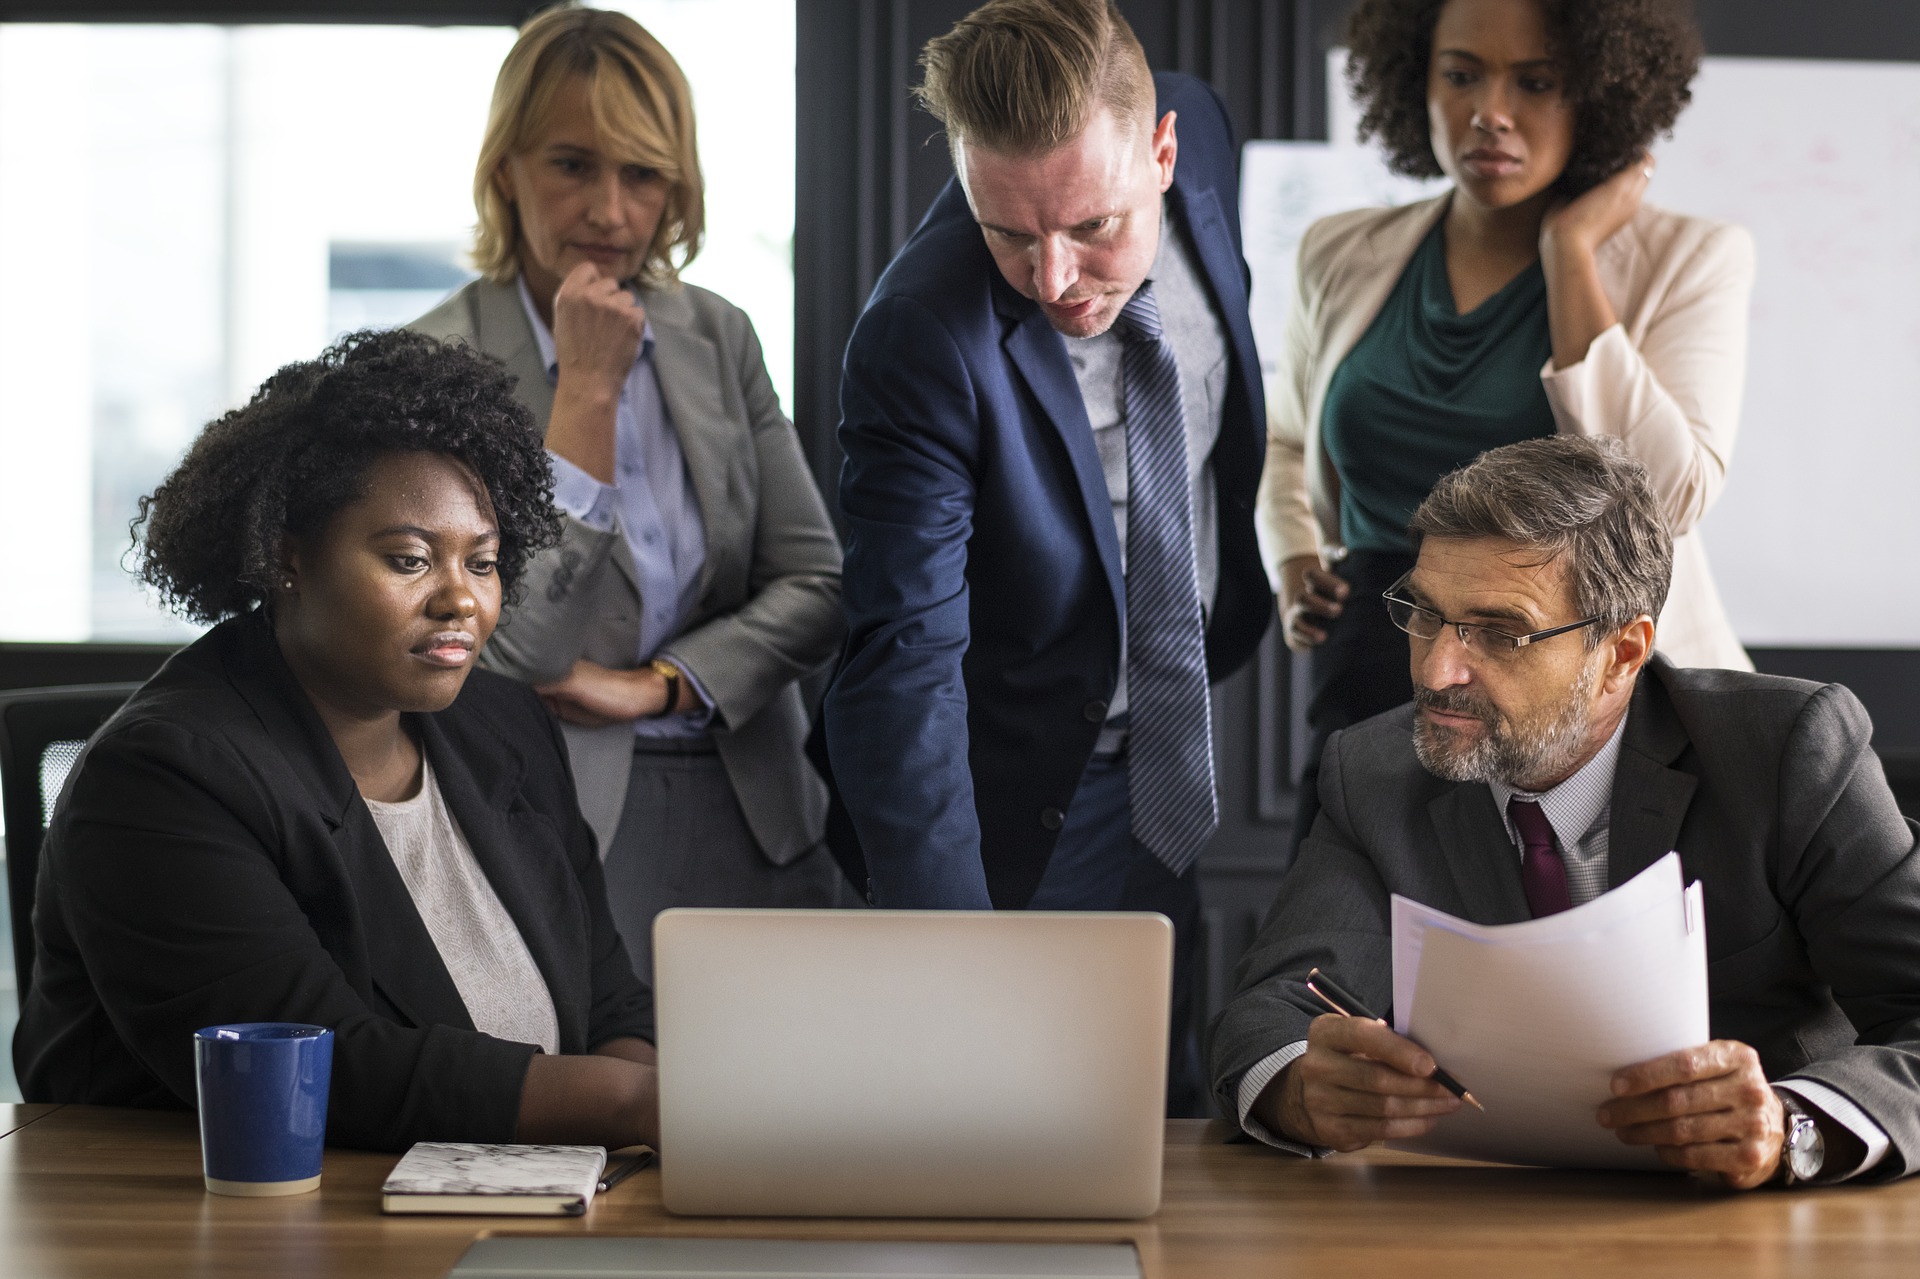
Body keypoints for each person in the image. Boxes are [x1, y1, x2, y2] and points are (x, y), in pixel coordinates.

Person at [1210, 436, 1920, 1188]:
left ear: (1621, 653)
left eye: (1500, 632)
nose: (1436, 669)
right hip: (1473, 1222)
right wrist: (1298, 1086)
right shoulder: (1376, 770)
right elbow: (1273, 1009)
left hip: (1750, 1225)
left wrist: (1794, 1126)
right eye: (1425, 613)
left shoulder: (1785, 752)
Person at [15, 331, 661, 1153]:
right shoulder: (162, 776)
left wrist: (642, 1139)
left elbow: (609, 1002)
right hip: (219, 1228)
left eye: (485, 562)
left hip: (514, 1206)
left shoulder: (506, 727)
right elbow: (327, 1068)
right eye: (410, 559)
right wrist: (629, 1108)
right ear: (288, 559)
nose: (460, 598)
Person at [821, 0, 1270, 1115]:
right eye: (1010, 234)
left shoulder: (1203, 128)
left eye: (1094, 227)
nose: (1056, 277)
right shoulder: (918, 338)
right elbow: (901, 657)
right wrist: (953, 952)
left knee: (1147, 1114)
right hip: (1009, 801)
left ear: (1164, 150)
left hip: (1168, 752)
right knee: (1000, 1128)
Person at [1262, 0, 1754, 866]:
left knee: (1562, 973)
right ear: (1413, 78)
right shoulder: (1340, 252)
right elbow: (1290, 438)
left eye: (1536, 82)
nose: (1491, 110)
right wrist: (1294, 552)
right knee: (1333, 962)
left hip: (1573, 683)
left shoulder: (1693, 258)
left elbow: (1666, 499)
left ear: (1601, 94)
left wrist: (1570, 256)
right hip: (1381, 663)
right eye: (1460, 74)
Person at [412, 6, 848, 981]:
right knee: (616, 1121)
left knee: (787, 1119)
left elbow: (817, 584)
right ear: (507, 169)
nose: (610, 211)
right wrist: (590, 389)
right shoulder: (434, 364)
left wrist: (659, 684)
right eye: (572, 164)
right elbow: (517, 646)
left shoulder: (719, 335)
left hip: (759, 809)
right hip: (557, 821)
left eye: (643, 173)